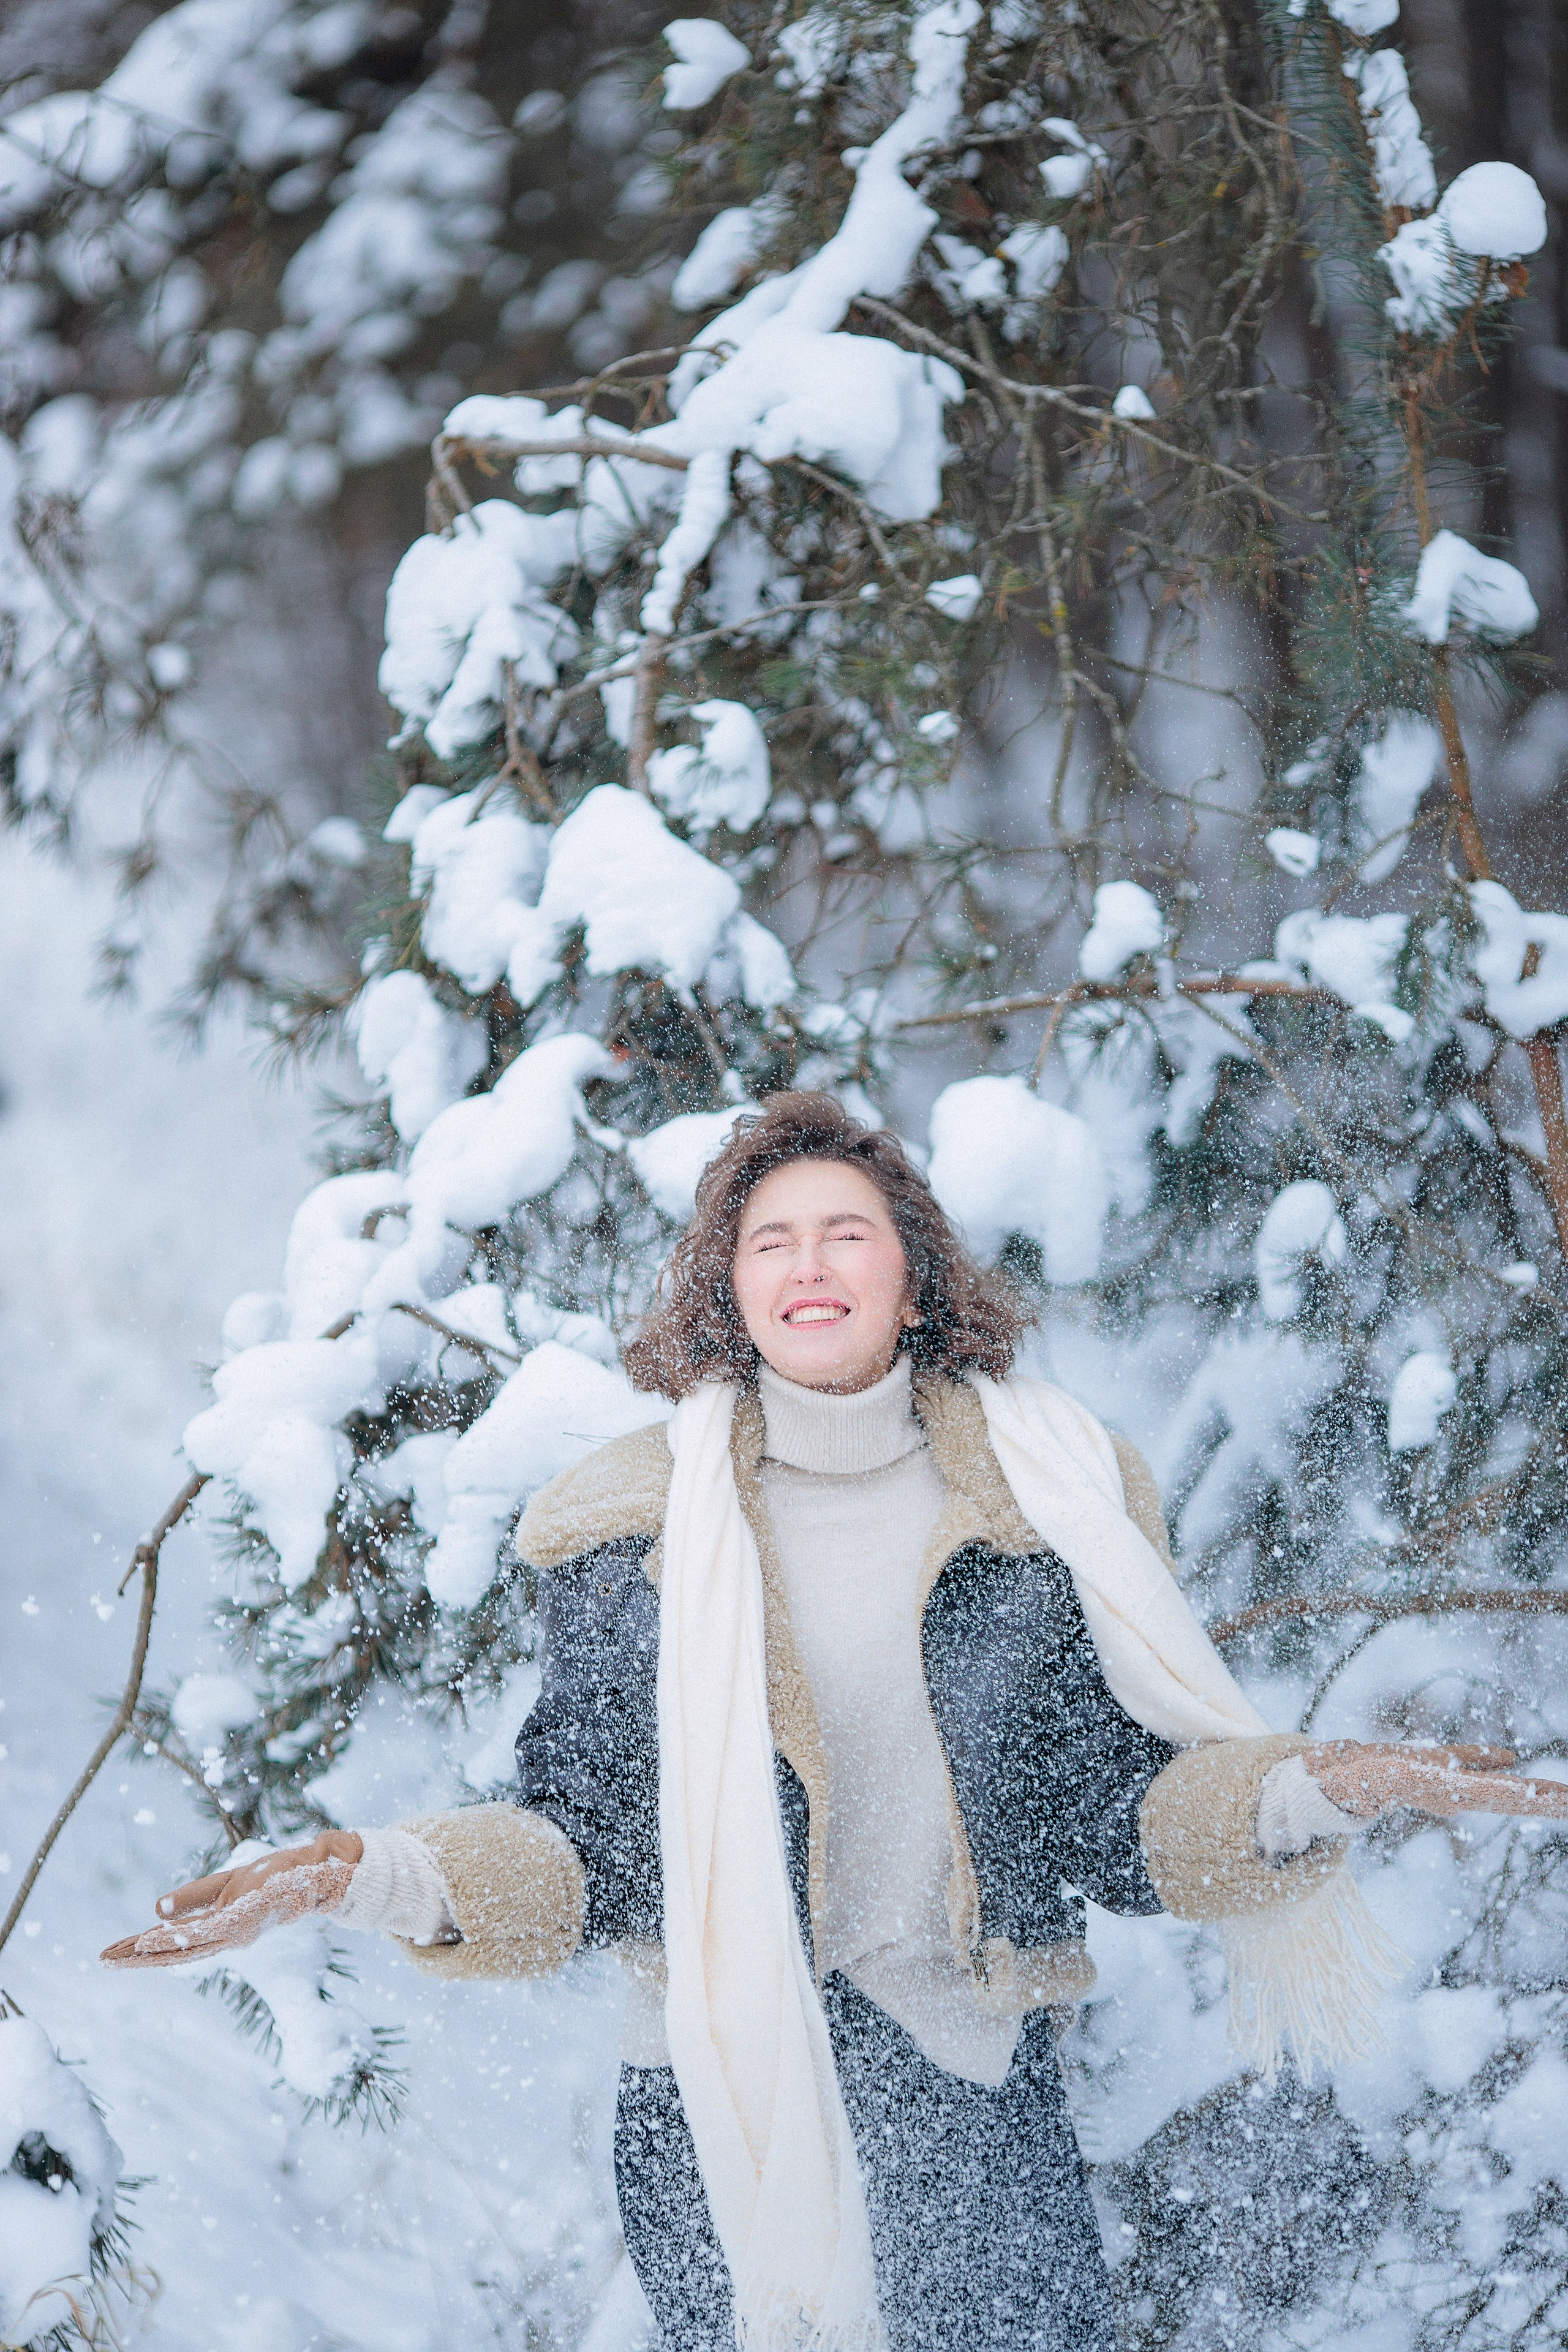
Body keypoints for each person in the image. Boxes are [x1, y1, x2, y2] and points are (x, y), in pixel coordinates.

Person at [104, 1093, 1567, 2352]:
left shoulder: (1043, 1505)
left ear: (914, 1279)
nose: (809, 1264)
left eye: (845, 1231)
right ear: (727, 1293)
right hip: (716, 2105)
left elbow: (1104, 1813)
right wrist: (378, 1872)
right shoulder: (629, 1529)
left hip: (974, 2088)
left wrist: (1317, 1787)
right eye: (770, 1240)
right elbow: (591, 1848)